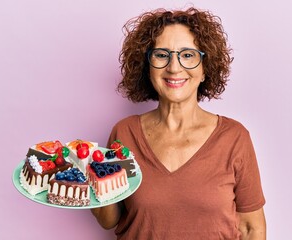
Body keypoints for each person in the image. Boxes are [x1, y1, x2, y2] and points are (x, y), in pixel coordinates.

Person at [91, 7, 266, 240]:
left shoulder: (234, 137)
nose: (174, 67)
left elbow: (250, 229)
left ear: (205, 69)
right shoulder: (124, 133)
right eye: (162, 55)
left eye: (188, 55)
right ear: (148, 66)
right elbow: (108, 219)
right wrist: (89, 179)